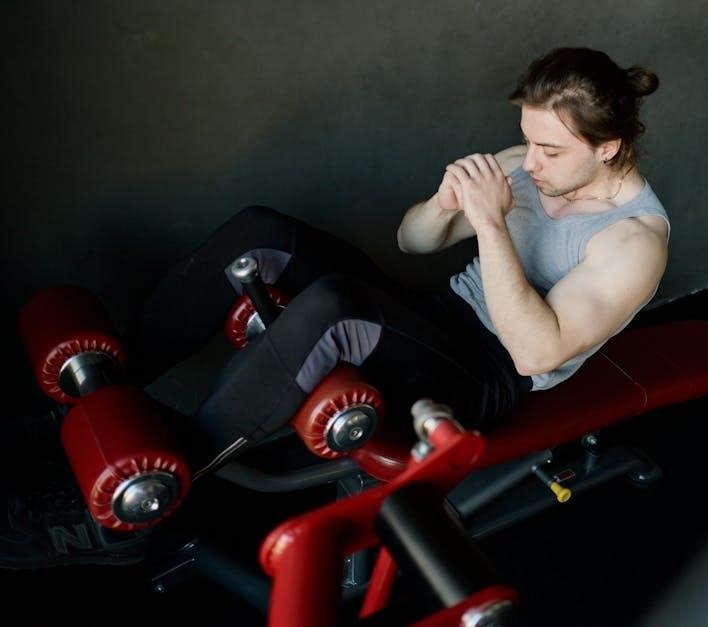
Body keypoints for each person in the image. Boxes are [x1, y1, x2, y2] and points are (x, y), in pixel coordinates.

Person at [1, 47, 668, 569]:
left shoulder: (633, 241)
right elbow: (413, 240)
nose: (534, 161)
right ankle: (92, 410)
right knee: (262, 232)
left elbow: (533, 353)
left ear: (607, 146)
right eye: (530, 140)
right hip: (436, 316)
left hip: (485, 375)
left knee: (337, 308)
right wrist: (445, 204)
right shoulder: (526, 160)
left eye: (552, 150)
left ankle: (132, 508)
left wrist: (491, 224)